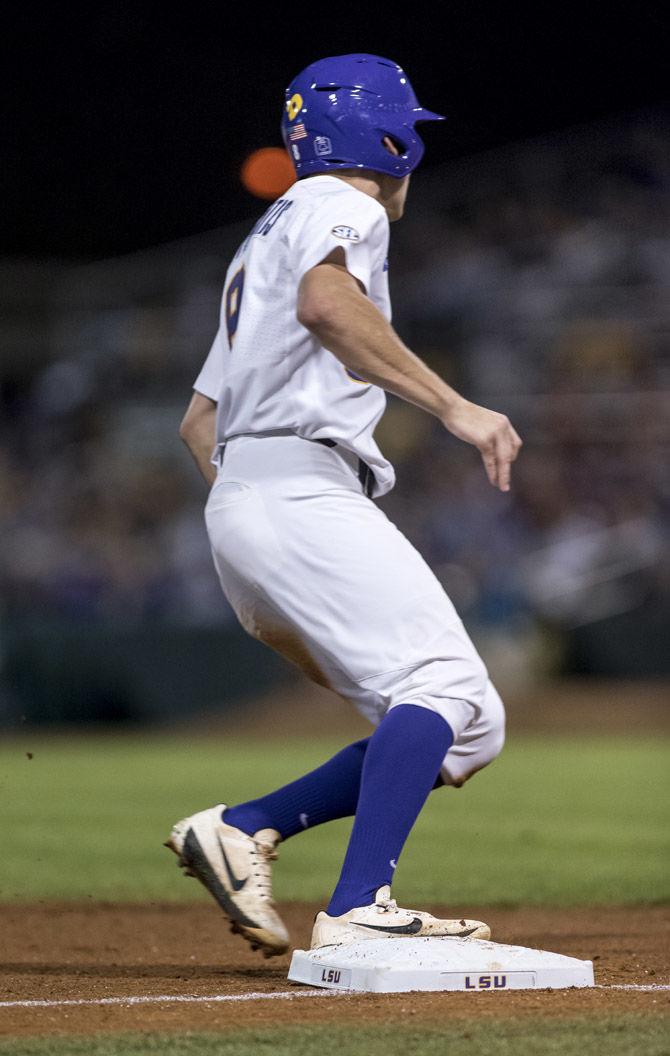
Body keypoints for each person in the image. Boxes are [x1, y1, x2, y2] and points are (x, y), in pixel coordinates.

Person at [167, 53, 521, 958]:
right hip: (298, 492)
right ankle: (360, 904)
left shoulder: (262, 239)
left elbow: (198, 421)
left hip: (248, 501)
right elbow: (331, 305)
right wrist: (456, 407)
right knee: (440, 687)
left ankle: (246, 827)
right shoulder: (344, 203)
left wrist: (253, 527)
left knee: (467, 722)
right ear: (388, 138)